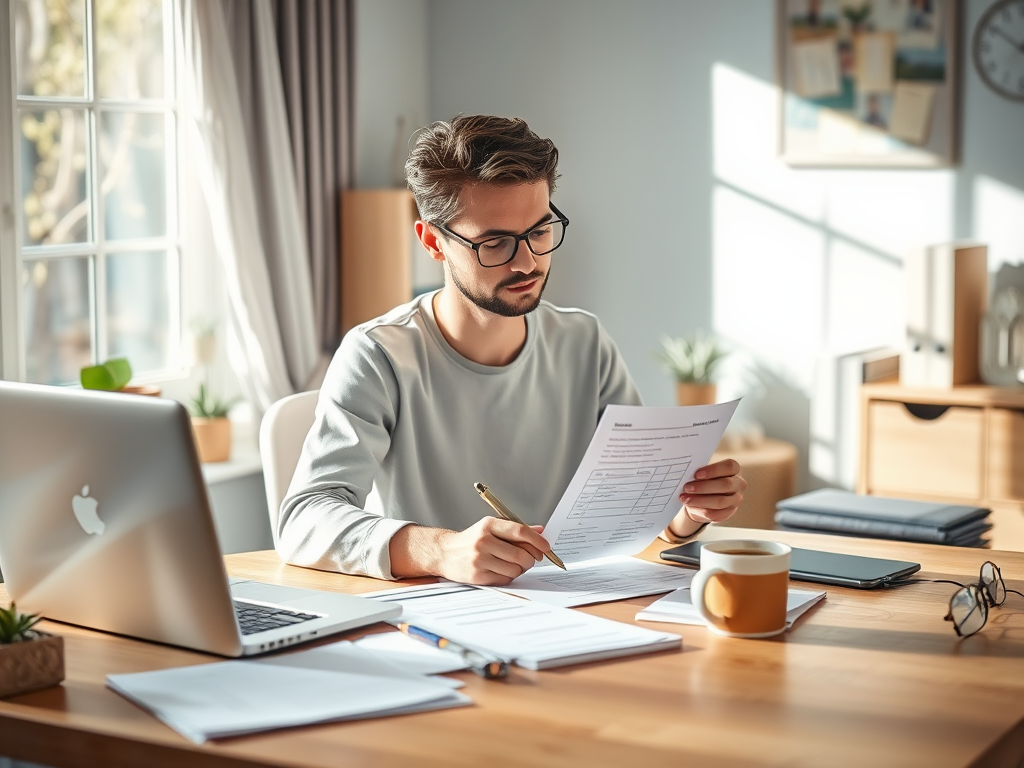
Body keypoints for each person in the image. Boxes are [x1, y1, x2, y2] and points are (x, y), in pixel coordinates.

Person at [278, 115, 746, 585]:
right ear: (432, 242)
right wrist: (441, 550)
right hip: (437, 623)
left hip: (578, 610)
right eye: (495, 242)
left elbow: (633, 507)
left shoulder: (585, 342)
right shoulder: (379, 355)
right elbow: (303, 518)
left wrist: (690, 511)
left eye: (540, 232)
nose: (527, 261)